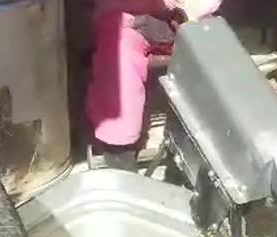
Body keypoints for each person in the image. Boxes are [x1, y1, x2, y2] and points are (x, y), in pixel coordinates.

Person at [86, 0, 223, 171]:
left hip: (192, 18)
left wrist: (188, 13)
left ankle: (220, 140)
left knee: (219, 53)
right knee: (119, 61)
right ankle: (119, 147)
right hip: (130, 19)